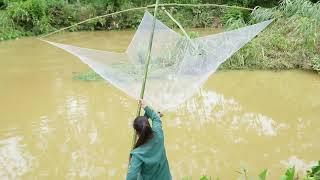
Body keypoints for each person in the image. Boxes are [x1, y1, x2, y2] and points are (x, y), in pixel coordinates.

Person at [126, 99, 172, 180]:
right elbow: (156, 118)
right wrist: (146, 107)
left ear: (137, 132)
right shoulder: (158, 134)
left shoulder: (137, 154)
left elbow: (131, 177)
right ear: (148, 125)